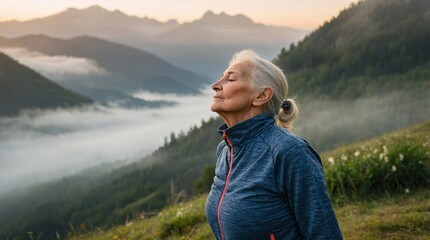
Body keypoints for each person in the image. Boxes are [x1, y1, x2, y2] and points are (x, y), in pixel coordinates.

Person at [205, 50, 343, 240]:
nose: (215, 86)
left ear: (261, 95)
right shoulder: (225, 150)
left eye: (230, 79)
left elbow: (324, 233)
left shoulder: (289, 151)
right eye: (221, 78)